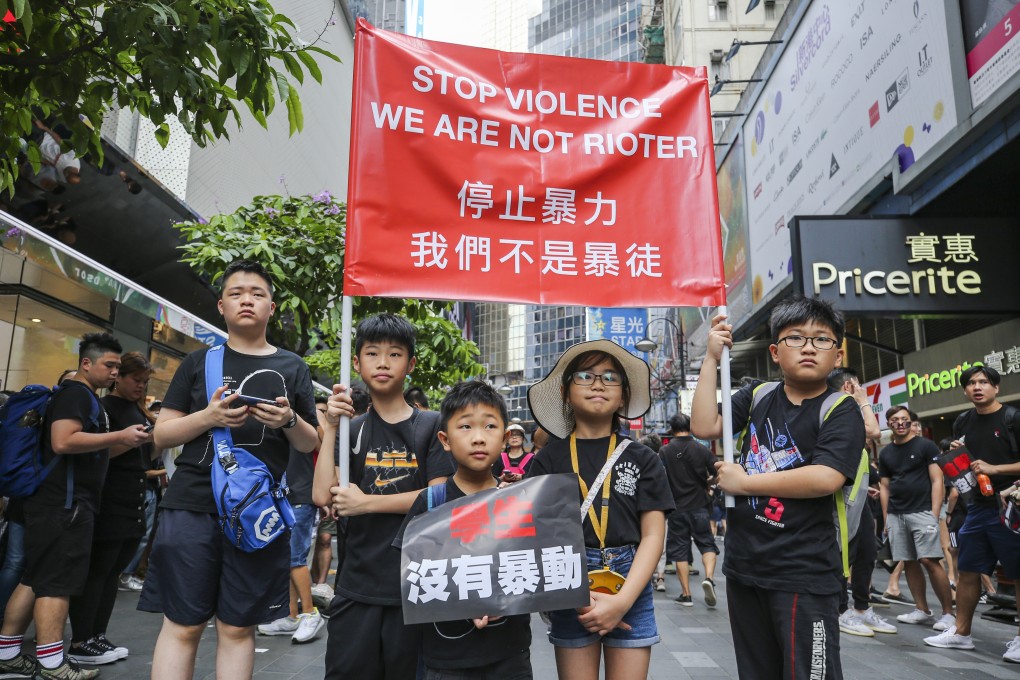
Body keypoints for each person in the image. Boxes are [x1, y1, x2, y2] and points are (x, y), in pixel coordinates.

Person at [140, 259, 319, 680]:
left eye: (257, 294)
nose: (247, 301)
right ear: (221, 306)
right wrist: (209, 417)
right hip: (192, 505)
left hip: (258, 514)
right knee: (182, 624)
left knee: (238, 626)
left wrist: (289, 421)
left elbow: (311, 441)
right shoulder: (197, 363)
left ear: (272, 307)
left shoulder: (293, 367)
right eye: (237, 293)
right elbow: (162, 435)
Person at [690, 296, 865, 680]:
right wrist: (709, 360)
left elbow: (825, 478)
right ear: (774, 351)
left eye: (821, 340)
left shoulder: (841, 408)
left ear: (837, 355)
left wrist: (746, 482)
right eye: (795, 338)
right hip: (744, 566)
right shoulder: (757, 396)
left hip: (804, 571)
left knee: (809, 673)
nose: (808, 347)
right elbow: (705, 425)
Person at [314, 313, 453, 680]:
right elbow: (322, 494)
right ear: (357, 363)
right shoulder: (351, 428)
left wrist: (367, 503)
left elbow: (440, 495)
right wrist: (329, 429)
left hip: (414, 587)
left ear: (411, 364)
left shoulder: (431, 425)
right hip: (355, 585)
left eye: (395, 354)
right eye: (373, 353)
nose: (383, 363)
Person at [0, 333, 147, 680]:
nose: (114, 372)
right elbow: (63, 440)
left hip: (54, 503)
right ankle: (53, 663)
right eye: (109, 365)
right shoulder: (77, 394)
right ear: (86, 363)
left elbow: (91, 450)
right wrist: (120, 436)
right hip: (63, 505)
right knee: (56, 583)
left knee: (35, 578)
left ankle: (7, 653)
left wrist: (128, 441)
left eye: (116, 366)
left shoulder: (80, 396)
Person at [526, 339, 673, 680]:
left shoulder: (644, 458)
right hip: (570, 581)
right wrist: (579, 597)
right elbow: (539, 534)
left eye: (610, 377)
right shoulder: (547, 459)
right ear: (565, 392)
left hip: (631, 580)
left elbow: (653, 535)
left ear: (623, 395)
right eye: (585, 376)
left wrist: (621, 603)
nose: (597, 383)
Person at [393, 380, 534, 678]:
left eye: (490, 427)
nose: (479, 438)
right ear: (445, 439)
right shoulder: (431, 502)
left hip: (510, 656)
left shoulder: (519, 505)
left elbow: (537, 569)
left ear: (506, 437)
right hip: (446, 659)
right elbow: (406, 573)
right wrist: (461, 600)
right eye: (466, 427)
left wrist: (508, 599)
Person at [925, 365, 1020, 662]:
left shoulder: (1012, 418)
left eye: (984, 382)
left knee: (1017, 573)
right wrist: (958, 451)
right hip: (977, 506)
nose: (977, 387)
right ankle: (961, 632)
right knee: (967, 570)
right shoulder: (963, 421)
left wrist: (995, 468)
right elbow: (967, 462)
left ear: (996, 387)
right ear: (965, 390)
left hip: (1010, 506)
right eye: (971, 383)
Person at [67, 352, 156, 665]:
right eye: (136, 380)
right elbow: (96, 450)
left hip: (135, 495)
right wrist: (129, 440)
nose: (141, 387)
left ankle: (98, 635)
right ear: (118, 377)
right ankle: (82, 638)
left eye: (145, 382)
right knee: (98, 571)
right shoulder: (104, 407)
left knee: (112, 572)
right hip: (109, 495)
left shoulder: (137, 409)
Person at [826, 368, 897, 637]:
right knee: (845, 553)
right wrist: (864, 401)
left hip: (859, 497)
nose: (862, 389)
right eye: (859, 385)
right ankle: (842, 610)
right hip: (842, 501)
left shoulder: (844, 410)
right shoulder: (841, 409)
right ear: (848, 387)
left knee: (867, 550)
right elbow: (874, 431)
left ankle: (862, 608)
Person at [878, 405, 956, 631]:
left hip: (922, 512)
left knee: (930, 560)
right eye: (894, 420)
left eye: (904, 419)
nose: (899, 423)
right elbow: (884, 487)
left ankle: (948, 613)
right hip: (896, 514)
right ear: (889, 424)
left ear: (911, 422)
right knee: (908, 560)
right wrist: (886, 519)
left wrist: (934, 514)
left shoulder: (925, 445)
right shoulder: (886, 453)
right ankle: (921, 609)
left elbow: (937, 480)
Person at [257, 395, 328, 643]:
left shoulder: (308, 419)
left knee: (295, 558)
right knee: (288, 558)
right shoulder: (275, 416)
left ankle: (310, 613)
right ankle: (292, 615)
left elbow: (323, 448)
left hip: (300, 493)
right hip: (283, 493)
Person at [659, 413, 719, 608]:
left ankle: (686, 595)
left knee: (680, 551)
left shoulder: (665, 451)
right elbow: (718, 472)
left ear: (672, 428)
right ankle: (709, 578)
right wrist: (708, 484)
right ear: (689, 427)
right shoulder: (702, 449)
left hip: (677, 508)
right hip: (700, 505)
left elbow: (660, 478)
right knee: (707, 544)